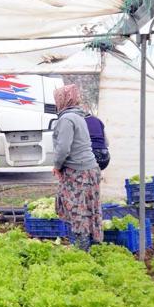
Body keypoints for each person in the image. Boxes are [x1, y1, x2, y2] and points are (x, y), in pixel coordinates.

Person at [51, 85, 103, 251]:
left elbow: (63, 148)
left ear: (62, 100)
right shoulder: (79, 116)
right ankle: (93, 245)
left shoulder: (66, 119)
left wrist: (57, 166)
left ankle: (82, 249)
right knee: (90, 207)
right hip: (90, 169)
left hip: (78, 172)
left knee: (77, 209)